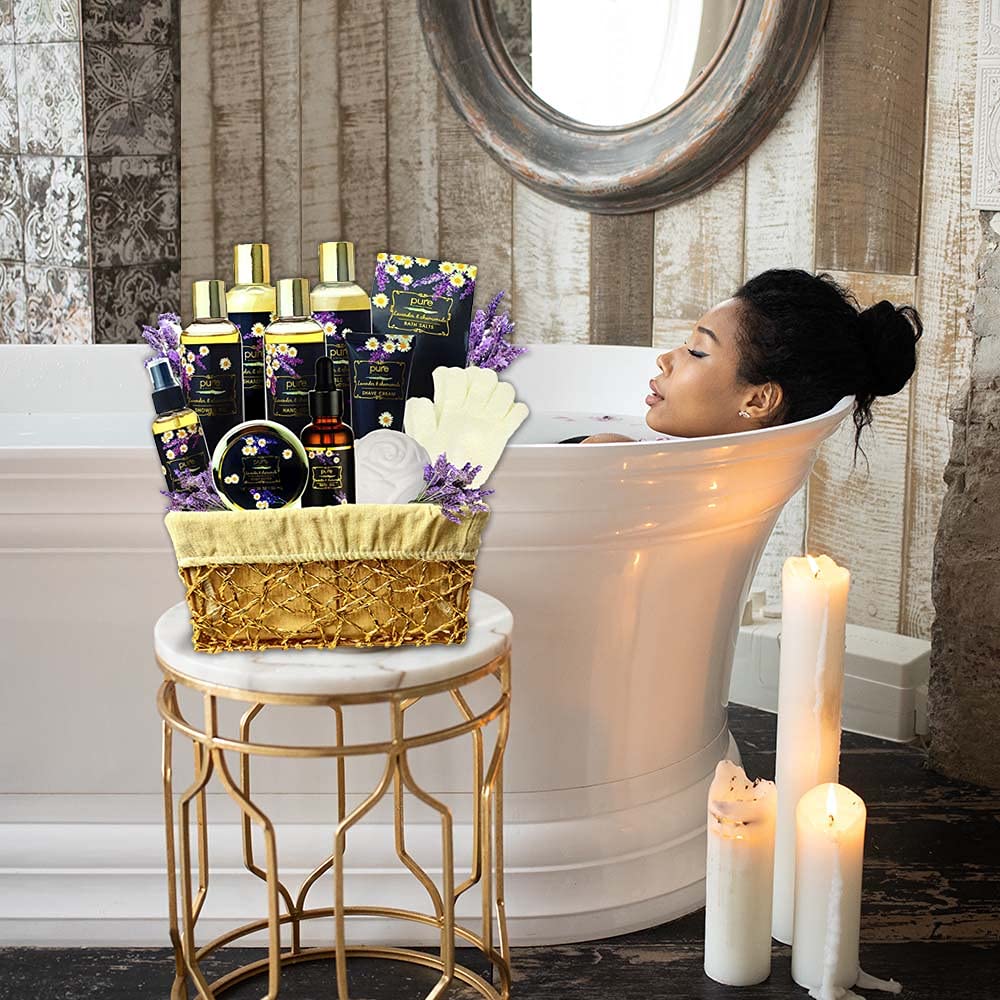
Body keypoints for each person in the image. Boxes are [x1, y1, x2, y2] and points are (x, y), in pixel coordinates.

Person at [581, 269, 922, 456]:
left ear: (758, 399)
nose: (664, 359)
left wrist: (609, 456)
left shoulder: (611, 460)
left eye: (697, 351)